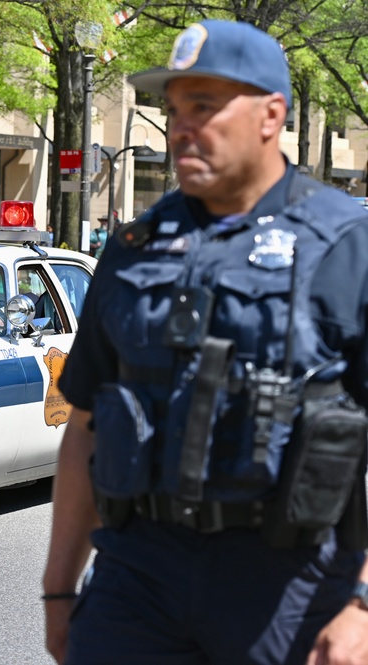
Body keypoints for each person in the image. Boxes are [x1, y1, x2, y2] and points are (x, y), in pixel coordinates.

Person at [43, 20, 368, 665]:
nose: (182, 127)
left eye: (205, 106)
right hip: (138, 577)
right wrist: (58, 590)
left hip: (288, 585)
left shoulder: (345, 244)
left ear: (271, 115)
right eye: (174, 109)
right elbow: (84, 425)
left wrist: (362, 605)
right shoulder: (134, 249)